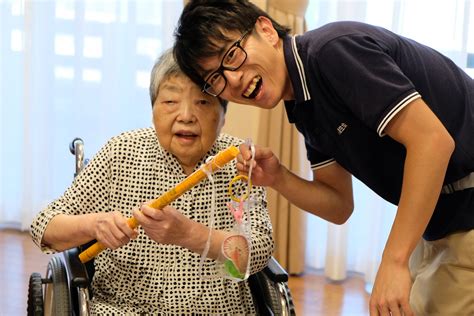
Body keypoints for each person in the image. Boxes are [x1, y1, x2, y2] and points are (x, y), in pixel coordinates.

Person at [173, 1, 474, 315]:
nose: (232, 80)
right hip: (441, 225)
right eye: (216, 78)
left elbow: (433, 142)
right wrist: (278, 177)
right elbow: (339, 205)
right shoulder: (303, 104)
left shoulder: (332, 52)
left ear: (266, 30)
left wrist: (393, 260)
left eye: (232, 56)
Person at [30, 48, 274, 315]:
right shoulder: (121, 152)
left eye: (203, 102)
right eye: (170, 102)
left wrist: (190, 235)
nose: (186, 116)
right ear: (153, 109)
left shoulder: (240, 161)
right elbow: (44, 226)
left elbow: (258, 252)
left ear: (224, 115)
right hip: (124, 309)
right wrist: (95, 225)